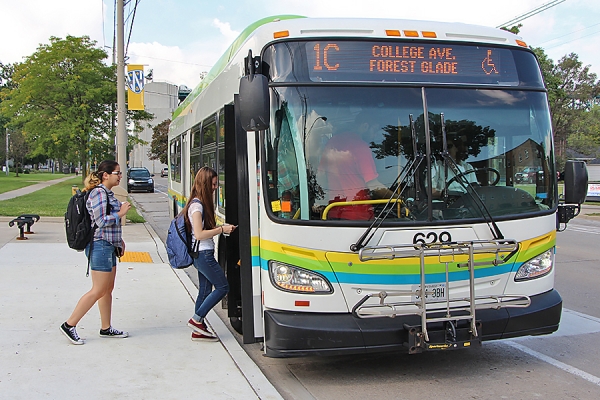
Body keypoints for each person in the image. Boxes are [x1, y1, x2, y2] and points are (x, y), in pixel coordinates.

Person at [60, 160, 131, 345]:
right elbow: (100, 221)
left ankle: (106, 328)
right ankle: (69, 325)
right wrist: (120, 213)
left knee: (107, 289)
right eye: (117, 173)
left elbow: (108, 223)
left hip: (109, 245)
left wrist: (119, 240)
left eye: (120, 173)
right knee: (98, 289)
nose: (120, 176)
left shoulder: (108, 193)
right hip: (99, 245)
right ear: (105, 175)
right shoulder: (99, 193)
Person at [183, 166, 236, 341]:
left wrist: (223, 228)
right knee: (223, 287)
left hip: (201, 254)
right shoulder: (197, 206)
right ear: (205, 184)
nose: (215, 188)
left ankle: (198, 330)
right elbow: (199, 234)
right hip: (203, 255)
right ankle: (196, 320)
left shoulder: (198, 203)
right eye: (213, 184)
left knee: (205, 291)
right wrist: (221, 229)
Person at [316, 112, 393, 220]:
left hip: (333, 213)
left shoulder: (331, 143)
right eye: (374, 130)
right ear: (365, 126)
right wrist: (397, 199)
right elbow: (374, 186)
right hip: (358, 216)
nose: (375, 135)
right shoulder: (361, 147)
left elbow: (321, 176)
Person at [430, 134, 478, 198]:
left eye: (449, 146)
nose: (445, 150)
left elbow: (475, 189)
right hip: (445, 203)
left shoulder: (468, 167)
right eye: (443, 147)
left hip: (466, 203)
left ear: (456, 148)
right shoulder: (436, 167)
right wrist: (445, 194)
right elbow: (430, 191)